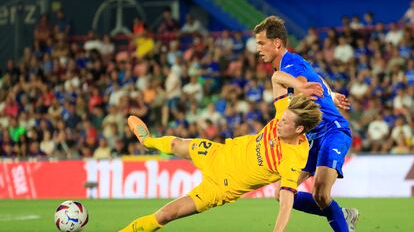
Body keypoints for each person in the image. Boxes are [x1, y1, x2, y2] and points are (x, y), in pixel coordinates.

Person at [118, 77, 324, 232]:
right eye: (283, 118)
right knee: (176, 143)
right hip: (217, 153)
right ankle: (147, 142)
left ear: (299, 130)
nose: (280, 122)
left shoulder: (293, 157)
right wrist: (299, 86)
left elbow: (286, 200)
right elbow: (276, 77)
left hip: (219, 188)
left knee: (165, 215)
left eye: (286, 122)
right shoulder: (283, 116)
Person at [254, 15, 358, 232]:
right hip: (310, 137)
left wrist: (305, 91)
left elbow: (303, 82)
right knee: (282, 192)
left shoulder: (290, 66)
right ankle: (342, 214)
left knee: (321, 193)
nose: (258, 48)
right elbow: (315, 77)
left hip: (332, 130)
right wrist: (330, 93)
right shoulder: (291, 63)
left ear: (277, 43)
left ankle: (341, 220)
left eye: (261, 43)